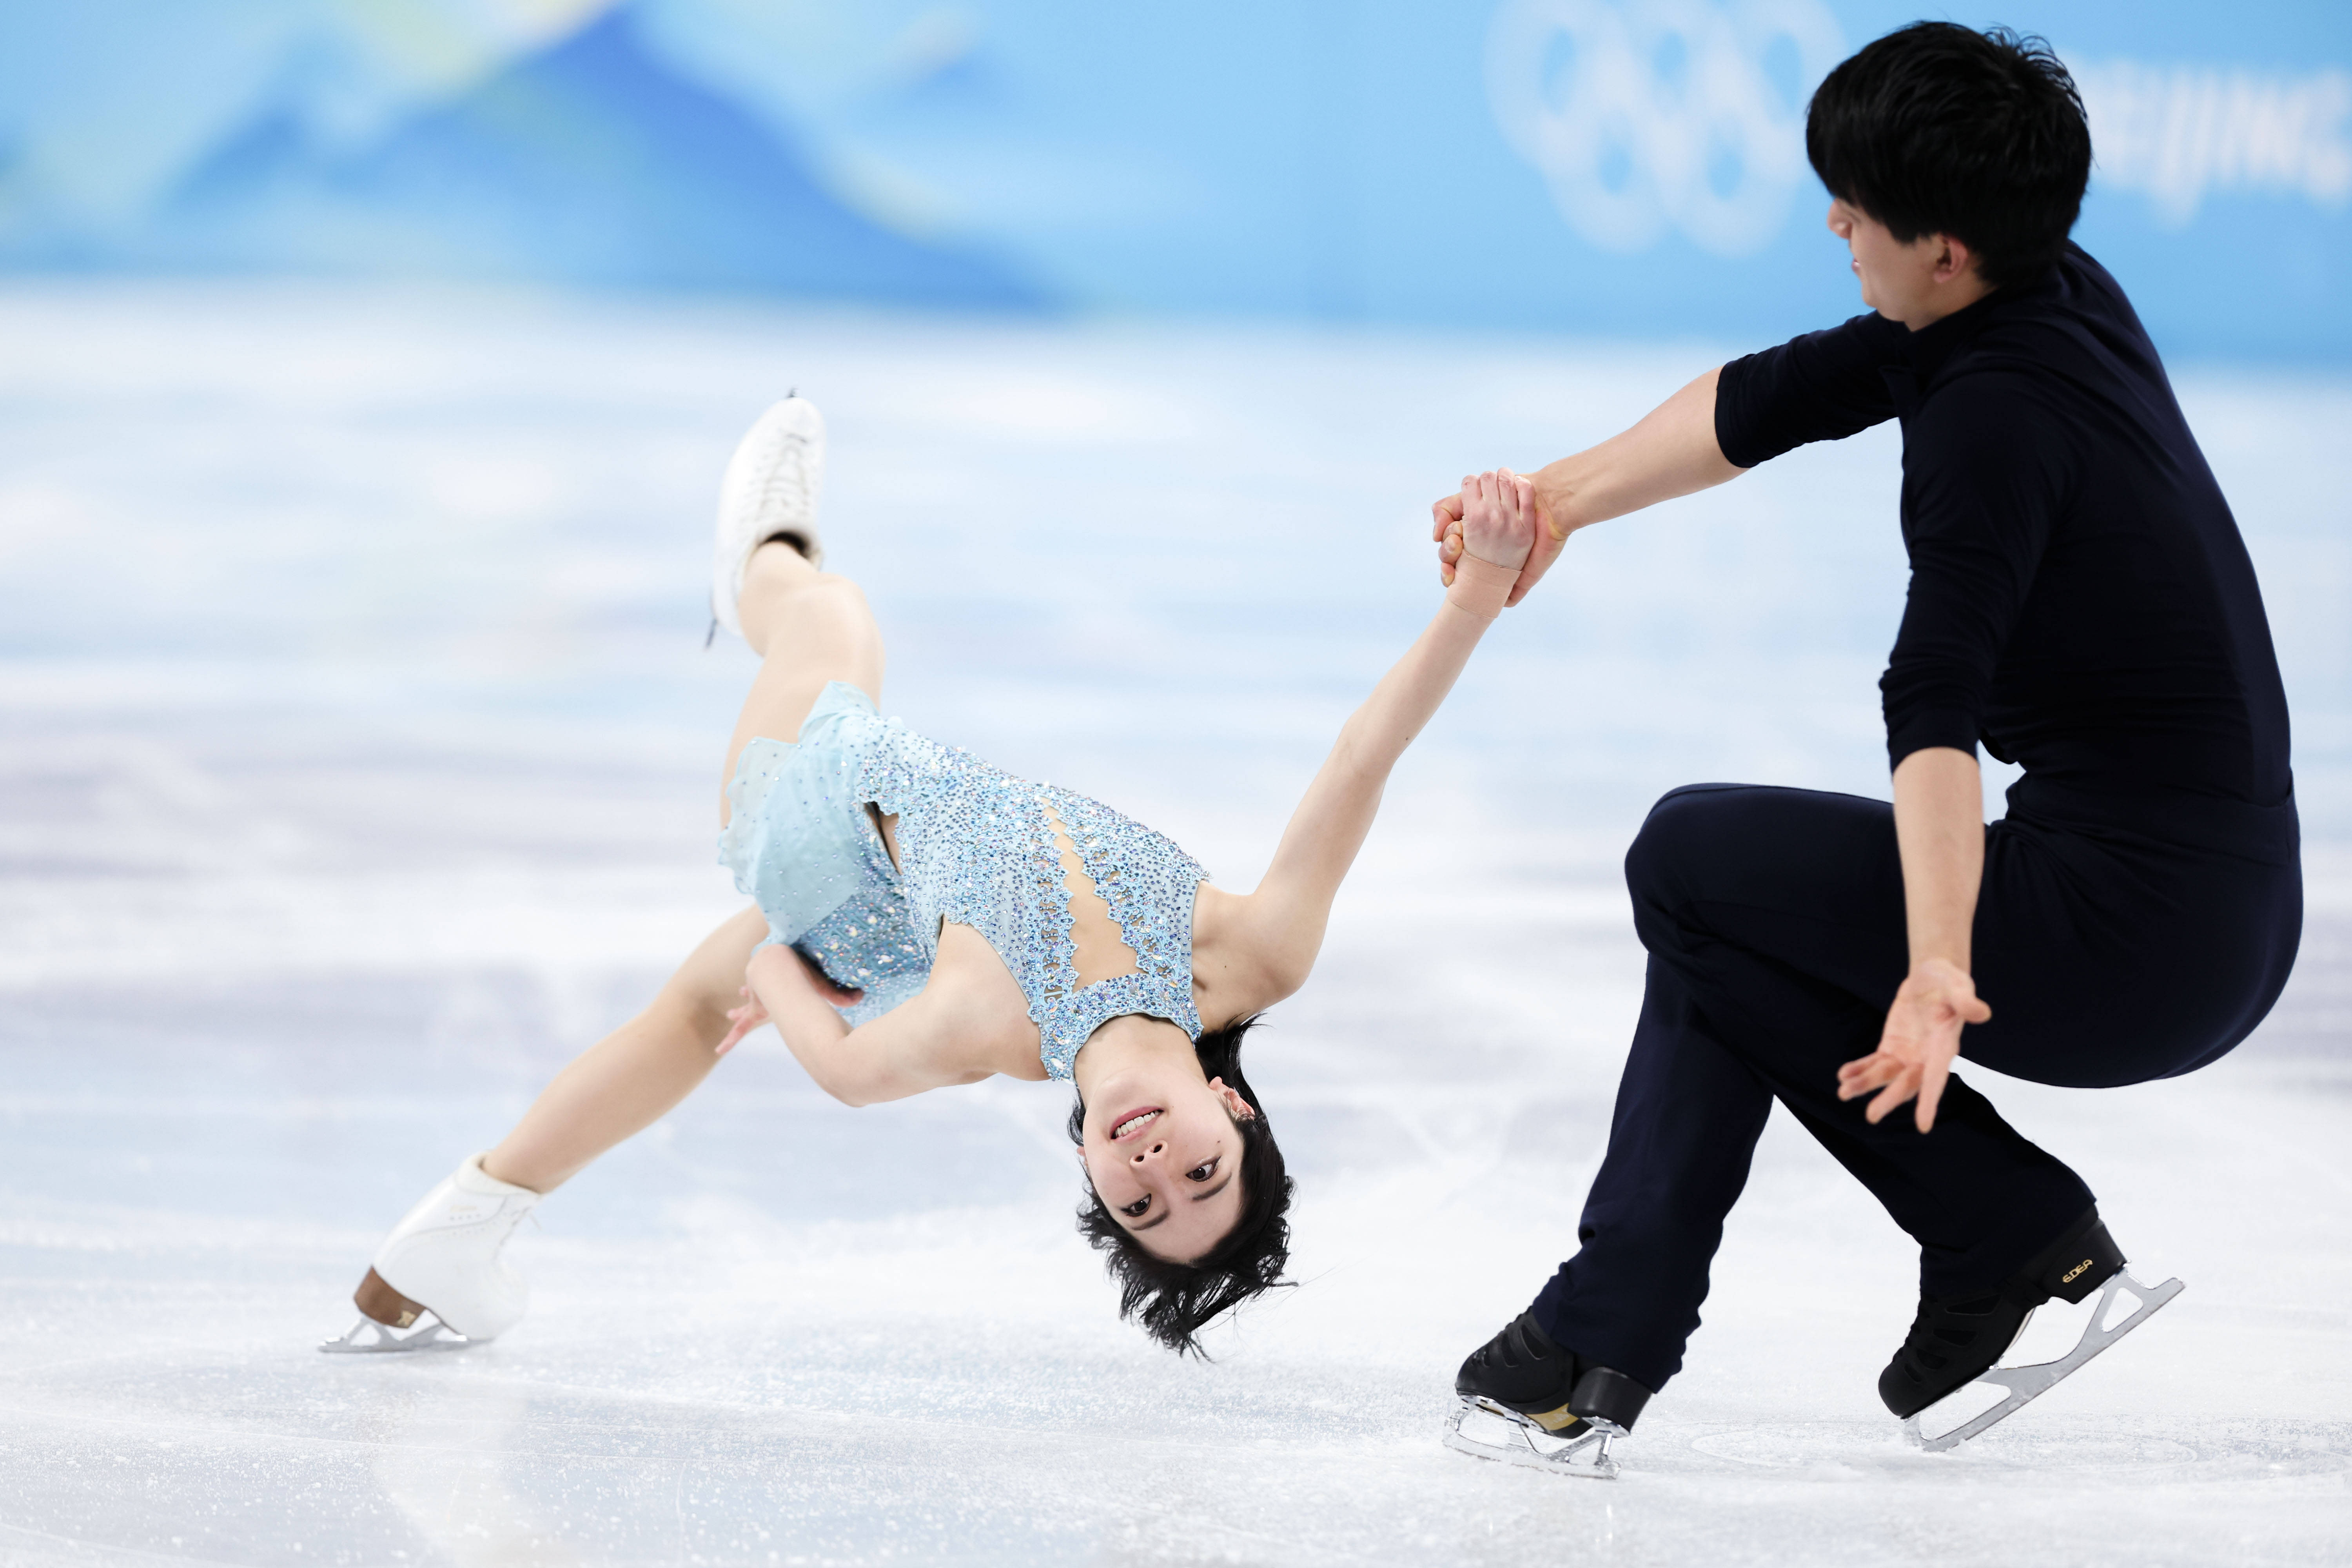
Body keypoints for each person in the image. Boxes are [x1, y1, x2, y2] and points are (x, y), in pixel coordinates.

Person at [1433, 22, 2301, 1470]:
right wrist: (1553, 504)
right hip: (2219, 909)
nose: (1832, 221)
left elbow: (1935, 699)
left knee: (1692, 859)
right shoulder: (2050, 293)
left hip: (2140, 938)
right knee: (1726, 923)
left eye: (1856, 205)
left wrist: (1939, 969)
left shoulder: (1995, 422)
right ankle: (1608, 1338)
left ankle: (1986, 1228)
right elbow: (1764, 400)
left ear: (1945, 246)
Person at [322, 397, 1542, 1359]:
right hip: (871, 900)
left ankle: (762, 554)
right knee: (692, 1015)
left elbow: (853, 1074)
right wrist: (1480, 589)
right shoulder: (1250, 954)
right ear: (1239, 1112)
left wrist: (774, 966)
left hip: (819, 817)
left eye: (1136, 1206)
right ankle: (461, 1226)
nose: (1149, 1166)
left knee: (831, 617)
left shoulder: (996, 1028)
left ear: (1091, 1182)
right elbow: (1362, 759)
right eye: (1196, 1177)